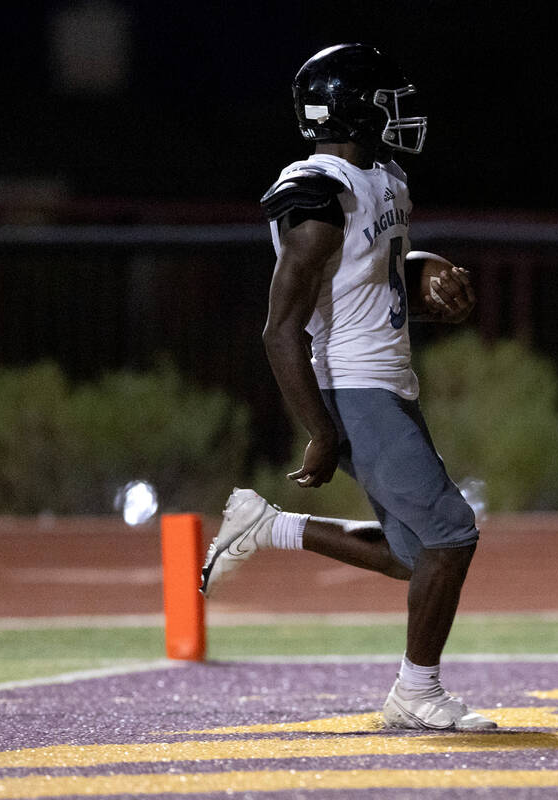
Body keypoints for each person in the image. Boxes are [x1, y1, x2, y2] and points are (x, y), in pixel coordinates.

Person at [199, 44, 494, 731]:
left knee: (414, 555)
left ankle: (268, 525)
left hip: (388, 375)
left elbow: (377, 273)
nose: (400, 110)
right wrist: (323, 431)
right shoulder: (317, 198)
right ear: (354, 108)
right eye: (386, 97)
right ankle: (416, 694)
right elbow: (281, 329)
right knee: (451, 535)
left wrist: (431, 274)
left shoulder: (382, 177)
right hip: (352, 383)